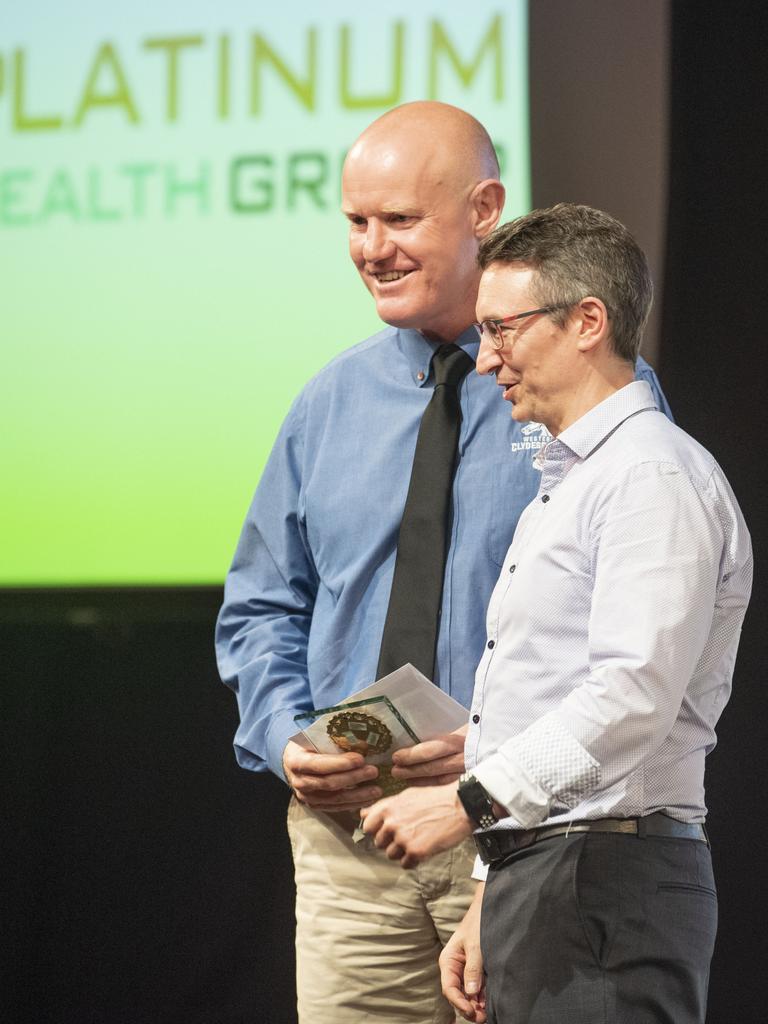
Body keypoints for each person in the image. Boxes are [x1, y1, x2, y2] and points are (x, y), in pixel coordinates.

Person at [215, 106, 669, 1024]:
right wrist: (284, 739)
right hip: (353, 848)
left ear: (483, 211)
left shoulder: (588, 394)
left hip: (520, 831)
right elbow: (261, 605)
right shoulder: (328, 402)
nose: (372, 248)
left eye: (400, 220)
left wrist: (504, 758)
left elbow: (631, 633)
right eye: (356, 222)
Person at [361, 203, 752, 1024]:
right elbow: (543, 696)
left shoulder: (649, 478)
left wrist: (466, 803)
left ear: (587, 321)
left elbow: (632, 696)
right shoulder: (573, 481)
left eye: (502, 329)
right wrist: (486, 888)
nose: (484, 360)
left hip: (609, 882)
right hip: (554, 874)